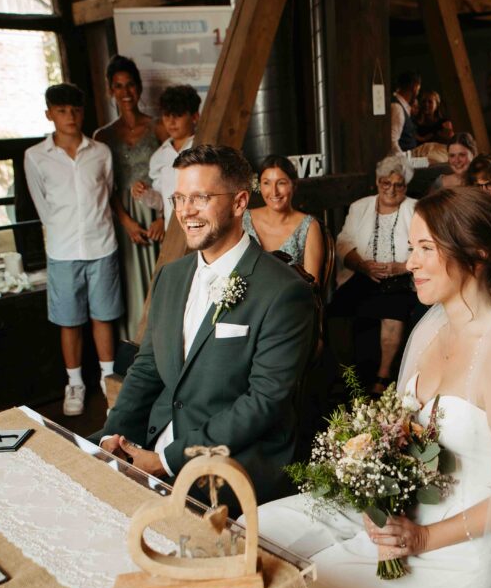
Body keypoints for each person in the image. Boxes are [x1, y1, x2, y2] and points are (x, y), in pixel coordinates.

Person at [255, 186, 491, 588]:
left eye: (425, 248)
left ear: (477, 255)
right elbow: (399, 433)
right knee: (258, 530)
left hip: (458, 547)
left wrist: (421, 537)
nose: (410, 262)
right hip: (404, 512)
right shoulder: (430, 329)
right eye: (411, 247)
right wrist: (367, 480)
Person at [95, 145, 315, 506]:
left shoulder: (284, 292)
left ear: (239, 203)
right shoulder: (169, 276)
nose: (185, 211)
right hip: (153, 438)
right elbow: (147, 367)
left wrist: (167, 460)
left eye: (200, 198)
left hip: (229, 464)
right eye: (179, 198)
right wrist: (112, 436)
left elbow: (263, 403)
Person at [24, 83, 122, 416]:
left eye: (76, 110)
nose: (70, 117)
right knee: (69, 321)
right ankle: (75, 383)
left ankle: (109, 381)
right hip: (63, 250)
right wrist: (62, 232)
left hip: (101, 245)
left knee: (103, 317)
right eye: (62, 110)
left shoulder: (101, 152)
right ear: (49, 114)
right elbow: (42, 206)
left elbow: (107, 192)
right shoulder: (36, 156)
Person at [330, 156, 418, 394]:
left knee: (393, 311)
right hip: (364, 273)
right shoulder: (360, 207)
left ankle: (383, 375)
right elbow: (343, 242)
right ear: (378, 182)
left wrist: (402, 267)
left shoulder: (415, 209)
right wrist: (362, 265)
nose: (391, 189)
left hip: (401, 277)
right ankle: (346, 372)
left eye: (398, 184)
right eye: (385, 183)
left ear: (405, 187)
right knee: (337, 310)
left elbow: (424, 246)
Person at [94, 55, 166, 341]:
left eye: (130, 85)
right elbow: (105, 187)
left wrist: (163, 217)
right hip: (124, 218)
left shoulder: (159, 127)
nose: (126, 92)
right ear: (111, 90)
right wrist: (126, 222)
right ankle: (136, 344)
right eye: (118, 86)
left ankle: (164, 341)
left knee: (162, 276)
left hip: (157, 212)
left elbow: (173, 172)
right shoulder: (103, 136)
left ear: (139, 87)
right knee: (131, 280)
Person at [241, 155, 323, 282]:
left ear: (293, 185)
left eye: (281, 183)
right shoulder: (243, 219)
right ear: (259, 185)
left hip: (292, 294)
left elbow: (313, 285)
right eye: (266, 183)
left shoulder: (309, 226)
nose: (274, 192)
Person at [135, 84, 200, 233]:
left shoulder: (203, 149)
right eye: (167, 115)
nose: (171, 121)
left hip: (200, 226)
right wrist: (144, 193)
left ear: (195, 116)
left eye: (178, 115)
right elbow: (162, 202)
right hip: (173, 231)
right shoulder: (159, 156)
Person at [390, 71, 422, 154]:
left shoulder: (403, 106)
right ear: (415, 87)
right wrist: (403, 159)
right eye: (418, 89)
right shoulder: (397, 107)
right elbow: (392, 142)